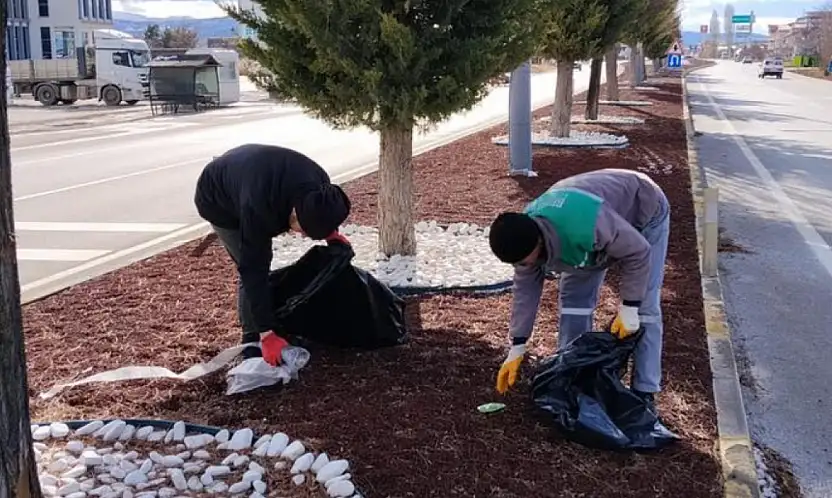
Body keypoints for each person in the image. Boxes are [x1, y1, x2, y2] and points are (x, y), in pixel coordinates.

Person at [488, 168, 670, 411]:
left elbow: (638, 252)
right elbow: (525, 291)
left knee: (645, 307)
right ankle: (570, 376)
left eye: (525, 261)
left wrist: (629, 306)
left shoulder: (586, 224)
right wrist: (518, 345)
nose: (523, 266)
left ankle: (644, 391)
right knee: (574, 302)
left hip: (644, 208)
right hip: (591, 227)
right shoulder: (523, 236)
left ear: (539, 242)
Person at [194, 144, 351, 366]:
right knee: (251, 264)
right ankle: (252, 339)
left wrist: (330, 234)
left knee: (258, 267)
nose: (303, 236)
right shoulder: (259, 209)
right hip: (217, 198)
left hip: (253, 172)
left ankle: (269, 325)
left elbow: (323, 213)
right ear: (294, 213)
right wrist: (266, 335)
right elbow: (253, 269)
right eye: (303, 231)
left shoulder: (320, 187)